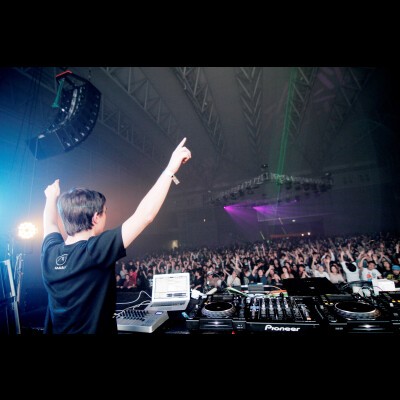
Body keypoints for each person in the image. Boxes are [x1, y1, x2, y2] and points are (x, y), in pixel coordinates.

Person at [41, 138, 191, 334]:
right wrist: (170, 170)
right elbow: (144, 216)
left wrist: (51, 198)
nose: (106, 216)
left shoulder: (50, 252)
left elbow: (50, 223)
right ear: (95, 218)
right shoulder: (94, 250)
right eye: (105, 212)